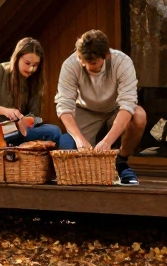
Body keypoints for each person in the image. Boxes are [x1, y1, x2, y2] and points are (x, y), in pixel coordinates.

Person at [55, 29, 148, 186]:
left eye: (92, 63)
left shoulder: (122, 62)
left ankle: (121, 162)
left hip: (115, 111)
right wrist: (79, 140)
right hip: (84, 111)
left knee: (139, 116)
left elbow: (127, 105)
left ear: (106, 56)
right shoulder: (70, 65)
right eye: (83, 61)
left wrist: (107, 142)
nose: (87, 66)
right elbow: (64, 106)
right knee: (67, 145)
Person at [0, 37, 65, 149]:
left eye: (35, 65)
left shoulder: (35, 80)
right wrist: (5, 111)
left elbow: (34, 115)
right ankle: (7, 145)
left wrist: (26, 121)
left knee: (54, 131)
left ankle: (17, 148)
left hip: (19, 130)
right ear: (17, 57)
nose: (31, 69)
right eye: (27, 63)